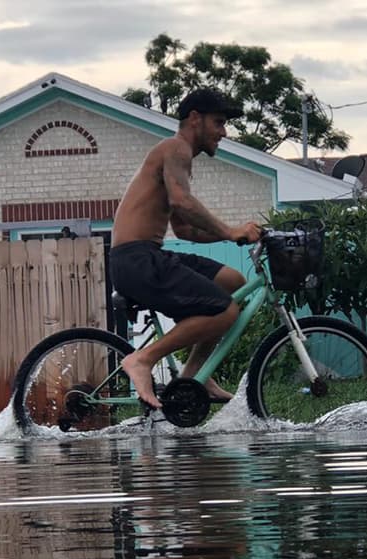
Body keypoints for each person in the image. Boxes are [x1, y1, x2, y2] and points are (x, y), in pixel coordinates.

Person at [109, 88, 262, 409]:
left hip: (147, 255)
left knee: (233, 283)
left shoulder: (179, 156)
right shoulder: (175, 148)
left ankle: (194, 376)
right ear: (195, 119)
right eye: (218, 123)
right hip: (136, 260)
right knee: (224, 310)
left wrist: (232, 236)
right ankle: (142, 359)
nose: (224, 132)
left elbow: (185, 229)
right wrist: (231, 229)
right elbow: (182, 201)